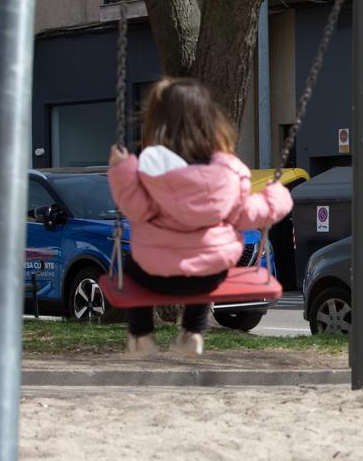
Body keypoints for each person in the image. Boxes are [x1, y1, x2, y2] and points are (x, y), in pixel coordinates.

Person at [108, 78, 293, 357]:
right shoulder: (226, 174)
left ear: (158, 122)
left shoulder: (151, 172)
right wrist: (276, 195)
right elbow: (250, 213)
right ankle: (193, 332)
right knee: (204, 260)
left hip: (155, 275)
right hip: (209, 275)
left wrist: (122, 170)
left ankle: (141, 334)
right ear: (210, 120)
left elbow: (135, 209)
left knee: (130, 266)